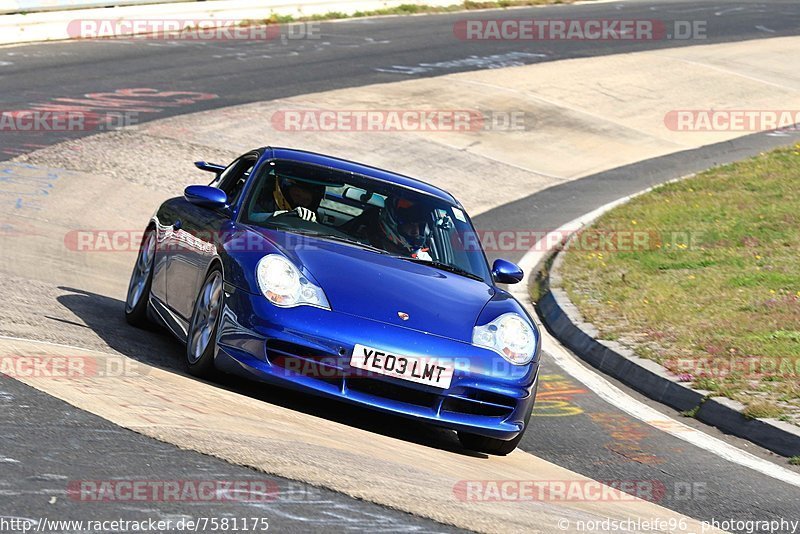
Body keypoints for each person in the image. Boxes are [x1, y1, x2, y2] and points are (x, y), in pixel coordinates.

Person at [368, 196, 432, 260]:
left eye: (420, 226)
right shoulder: (365, 249)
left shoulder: (424, 260)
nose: (416, 231)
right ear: (392, 221)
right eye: (410, 224)